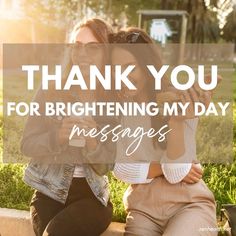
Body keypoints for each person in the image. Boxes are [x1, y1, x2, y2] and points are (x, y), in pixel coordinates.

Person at [111, 28, 217, 236]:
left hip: (189, 205)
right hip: (142, 210)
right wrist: (160, 168)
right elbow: (120, 168)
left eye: (130, 68)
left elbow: (175, 172)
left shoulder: (179, 99)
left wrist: (176, 120)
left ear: (146, 66)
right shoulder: (118, 108)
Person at [21, 18, 116, 236]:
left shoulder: (111, 99)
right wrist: (57, 137)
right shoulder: (50, 90)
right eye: (77, 46)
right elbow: (27, 144)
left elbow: (106, 166)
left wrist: (93, 142)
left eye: (93, 48)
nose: (83, 54)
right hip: (48, 192)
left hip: (91, 197)